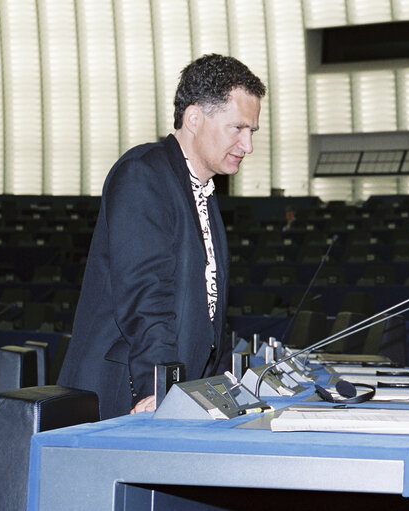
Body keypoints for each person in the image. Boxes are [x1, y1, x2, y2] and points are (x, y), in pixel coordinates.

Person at [58, 54, 267, 419]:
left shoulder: (202, 190)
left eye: (252, 132)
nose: (247, 145)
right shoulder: (143, 174)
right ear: (194, 118)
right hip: (127, 396)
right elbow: (145, 296)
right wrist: (158, 387)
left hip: (181, 392)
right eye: (238, 128)